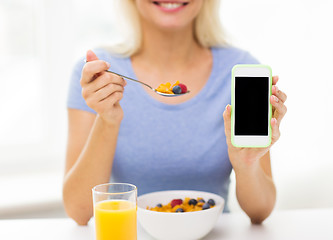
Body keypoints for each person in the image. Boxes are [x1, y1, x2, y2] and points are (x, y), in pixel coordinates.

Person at [63, 0, 287, 225]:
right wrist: (107, 121)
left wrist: (247, 164)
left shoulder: (240, 71)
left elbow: (261, 211)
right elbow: (79, 211)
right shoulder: (100, 75)